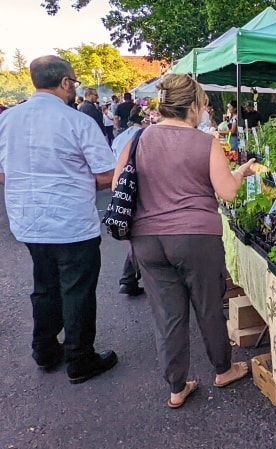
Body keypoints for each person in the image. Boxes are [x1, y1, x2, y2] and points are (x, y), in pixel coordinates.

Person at [113, 74, 256, 408]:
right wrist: (240, 173)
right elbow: (228, 192)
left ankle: (177, 388)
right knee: (208, 305)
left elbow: (120, 182)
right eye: (204, 104)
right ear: (192, 105)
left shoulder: (137, 138)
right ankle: (223, 370)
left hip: (147, 240)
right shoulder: (204, 142)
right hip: (196, 237)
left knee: (167, 313)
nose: (205, 111)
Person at [0, 55, 118, 383]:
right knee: (76, 289)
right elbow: (107, 175)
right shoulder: (76, 121)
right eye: (75, 82)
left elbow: (2, 172)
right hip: (70, 221)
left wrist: (30, 179)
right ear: (66, 82)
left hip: (27, 220)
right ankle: (80, 359)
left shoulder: (8, 119)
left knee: (45, 285)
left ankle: (45, 350)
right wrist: (71, 178)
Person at [112, 105, 145, 296]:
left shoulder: (120, 138)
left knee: (135, 238)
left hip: (125, 190)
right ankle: (128, 278)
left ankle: (128, 279)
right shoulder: (143, 137)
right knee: (140, 239)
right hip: (141, 189)